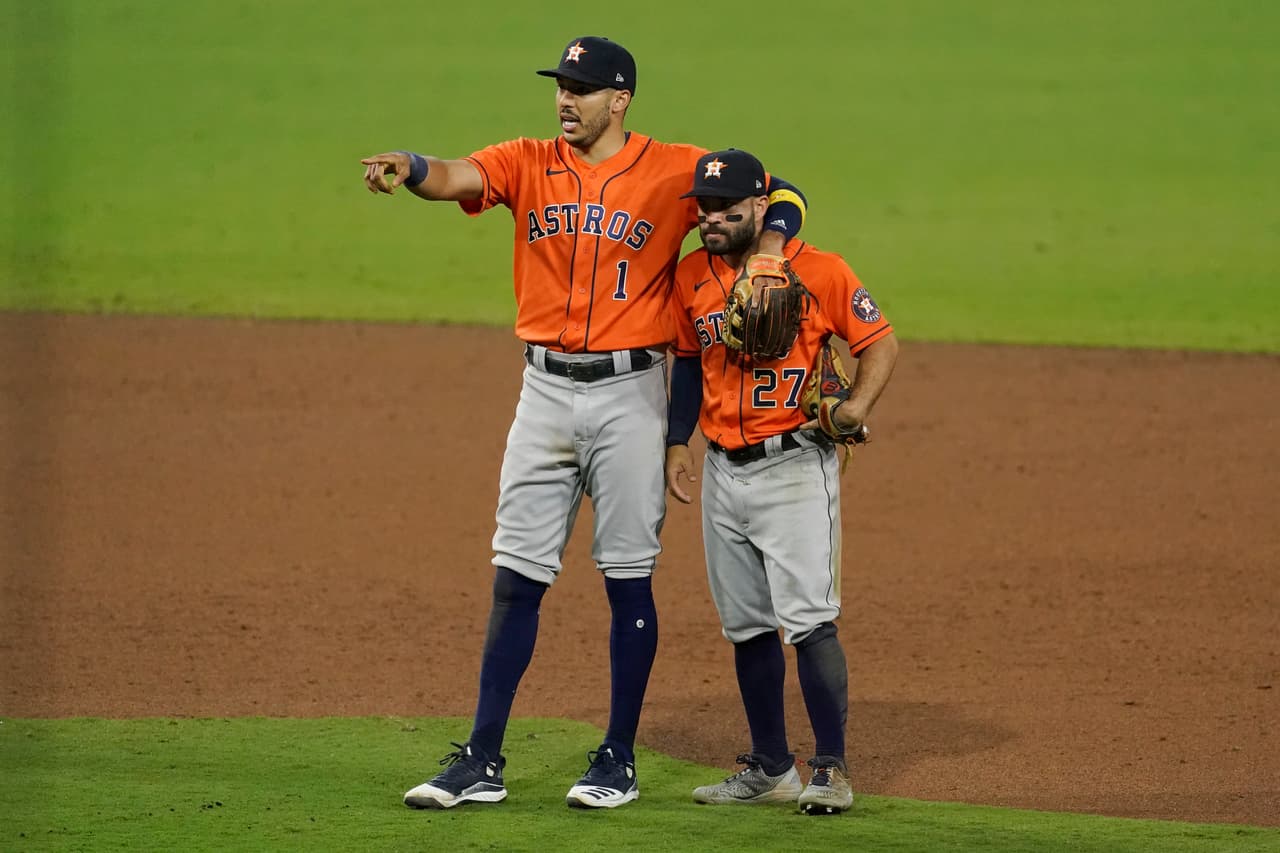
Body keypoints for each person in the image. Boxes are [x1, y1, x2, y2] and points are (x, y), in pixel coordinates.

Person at [359, 38, 810, 810]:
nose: (566, 100)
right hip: (542, 393)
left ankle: (617, 756)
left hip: (630, 396)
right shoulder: (528, 159)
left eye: (583, 88)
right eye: (561, 86)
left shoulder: (676, 168)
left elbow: (783, 189)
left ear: (620, 99)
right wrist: (409, 163)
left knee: (627, 574)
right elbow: (459, 175)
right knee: (516, 575)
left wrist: (768, 251)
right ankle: (482, 756)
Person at [664, 148, 899, 815]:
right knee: (746, 627)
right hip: (722, 473)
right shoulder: (689, 277)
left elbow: (879, 342)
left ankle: (831, 768)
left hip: (796, 465)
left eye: (726, 209)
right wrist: (678, 441)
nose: (710, 219)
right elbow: (686, 362)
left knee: (810, 623)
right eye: (703, 208)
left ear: (762, 208)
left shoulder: (819, 271)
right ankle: (770, 764)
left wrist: (854, 408)